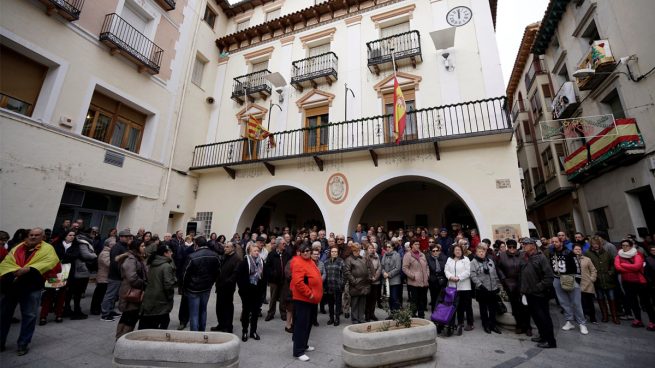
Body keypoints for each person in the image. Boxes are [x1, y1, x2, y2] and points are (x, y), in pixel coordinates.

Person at [0, 228, 59, 355]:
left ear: (42, 237)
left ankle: (23, 344)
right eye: (31, 235)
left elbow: (50, 263)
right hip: (12, 286)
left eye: (36, 235)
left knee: (29, 316)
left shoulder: (48, 249)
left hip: (32, 288)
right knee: (3, 316)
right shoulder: (18, 247)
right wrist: (13, 271)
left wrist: (29, 269)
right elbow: (6, 262)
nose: (33, 237)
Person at [519, 238, 556, 349]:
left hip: (539, 294)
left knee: (544, 318)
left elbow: (549, 277)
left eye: (525, 244)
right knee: (536, 318)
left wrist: (537, 287)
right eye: (523, 244)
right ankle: (542, 336)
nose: (523, 246)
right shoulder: (525, 257)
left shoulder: (541, 258)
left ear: (533, 245)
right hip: (529, 293)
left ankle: (550, 341)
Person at [290, 244, 323, 362]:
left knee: (308, 324)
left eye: (308, 250)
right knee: (301, 325)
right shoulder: (299, 263)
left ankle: (304, 345)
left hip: (311, 300)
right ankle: (298, 351)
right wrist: (310, 294)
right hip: (303, 299)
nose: (306, 252)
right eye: (303, 251)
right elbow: (298, 282)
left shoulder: (310, 261)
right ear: (299, 252)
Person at [550, 236, 588, 335]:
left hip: (570, 278)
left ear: (561, 242)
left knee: (576, 302)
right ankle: (569, 321)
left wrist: (577, 280)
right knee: (564, 302)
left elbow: (577, 266)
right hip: (557, 279)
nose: (554, 243)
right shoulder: (551, 253)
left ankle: (582, 323)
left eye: (556, 241)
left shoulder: (569, 253)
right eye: (552, 242)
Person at [614, 239, 655, 330]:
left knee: (646, 302)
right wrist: (629, 268)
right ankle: (638, 319)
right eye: (623, 245)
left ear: (631, 246)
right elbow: (618, 267)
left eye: (626, 245)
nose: (624, 247)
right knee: (633, 302)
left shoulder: (637, 255)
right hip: (627, 282)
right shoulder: (618, 256)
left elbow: (637, 266)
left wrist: (623, 265)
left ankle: (652, 321)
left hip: (640, 282)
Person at [183, 236, 221, 332]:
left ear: (196, 244)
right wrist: (211, 283)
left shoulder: (192, 256)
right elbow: (218, 272)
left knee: (194, 313)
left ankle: (195, 336)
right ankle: (201, 332)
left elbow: (185, 275)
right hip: (206, 288)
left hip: (193, 289)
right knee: (203, 310)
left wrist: (185, 287)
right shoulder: (215, 255)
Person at [497, 239, 532, 335]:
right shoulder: (502, 256)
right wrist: (504, 279)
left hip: (523, 283)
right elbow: (499, 268)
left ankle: (528, 326)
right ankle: (519, 325)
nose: (512, 249)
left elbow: (527, 267)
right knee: (515, 306)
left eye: (514, 247)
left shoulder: (522, 255)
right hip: (510, 284)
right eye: (510, 247)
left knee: (525, 305)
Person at [114, 240, 147, 340]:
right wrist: (143, 283)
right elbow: (132, 278)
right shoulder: (131, 259)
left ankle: (122, 339)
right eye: (142, 245)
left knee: (129, 316)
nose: (144, 247)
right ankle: (122, 339)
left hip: (133, 291)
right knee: (129, 317)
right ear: (136, 248)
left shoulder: (137, 258)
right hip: (131, 292)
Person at [139, 244, 176, 330]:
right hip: (160, 300)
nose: (172, 253)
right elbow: (168, 285)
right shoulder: (166, 266)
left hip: (150, 298)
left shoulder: (153, 262)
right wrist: (170, 297)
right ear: (165, 253)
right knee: (161, 324)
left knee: (148, 323)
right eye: (170, 252)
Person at [585, 235, 618, 324]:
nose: (595, 245)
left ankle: (615, 316)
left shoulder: (606, 252)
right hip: (597, 280)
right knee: (600, 297)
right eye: (593, 244)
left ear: (600, 244)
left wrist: (611, 272)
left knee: (611, 298)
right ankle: (605, 315)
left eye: (597, 244)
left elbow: (613, 263)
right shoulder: (588, 253)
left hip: (608, 278)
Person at [237, 242, 266, 341]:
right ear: (250, 251)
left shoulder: (261, 262)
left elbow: (264, 277)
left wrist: (262, 290)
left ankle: (253, 331)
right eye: (255, 251)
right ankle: (245, 331)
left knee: (255, 313)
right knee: (246, 312)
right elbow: (240, 278)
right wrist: (244, 290)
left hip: (258, 292)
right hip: (247, 292)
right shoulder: (245, 262)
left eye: (258, 251)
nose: (257, 252)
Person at [65, 231, 97, 320]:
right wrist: (94, 255)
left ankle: (68, 309)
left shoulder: (75, 243)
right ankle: (76, 311)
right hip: (80, 270)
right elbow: (86, 255)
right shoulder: (82, 243)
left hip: (74, 269)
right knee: (77, 292)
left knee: (71, 292)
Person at [471, 243, 502, 334]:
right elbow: (473, 276)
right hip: (482, 289)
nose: (481, 253)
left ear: (485, 252)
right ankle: (486, 325)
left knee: (492, 308)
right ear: (476, 253)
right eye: (479, 251)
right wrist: (480, 285)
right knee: (483, 309)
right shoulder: (473, 262)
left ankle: (493, 325)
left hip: (492, 289)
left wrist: (498, 286)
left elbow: (495, 274)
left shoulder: (490, 261)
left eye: (483, 251)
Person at [100, 229, 131, 322]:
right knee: (110, 295)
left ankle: (110, 310)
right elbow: (114, 262)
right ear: (121, 237)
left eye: (129, 236)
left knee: (114, 296)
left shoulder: (124, 246)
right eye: (126, 237)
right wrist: (120, 273)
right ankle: (105, 314)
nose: (128, 238)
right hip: (115, 275)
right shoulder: (117, 247)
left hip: (120, 275)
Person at [212, 241, 241, 333]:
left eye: (227, 247)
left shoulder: (237, 259)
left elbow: (236, 274)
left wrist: (227, 282)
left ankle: (228, 327)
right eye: (225, 247)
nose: (225, 248)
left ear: (233, 248)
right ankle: (221, 324)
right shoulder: (225, 256)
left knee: (227, 307)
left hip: (228, 287)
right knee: (219, 307)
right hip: (220, 286)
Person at [445, 243, 473, 335]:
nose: (458, 251)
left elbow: (468, 271)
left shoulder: (466, 259)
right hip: (452, 286)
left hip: (464, 287)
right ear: (453, 251)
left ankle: (466, 323)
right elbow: (446, 270)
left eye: (459, 250)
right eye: (456, 250)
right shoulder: (449, 260)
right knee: (455, 306)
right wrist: (450, 277)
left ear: (462, 251)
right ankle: (456, 324)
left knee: (465, 306)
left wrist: (459, 277)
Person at [344, 243, 371, 324]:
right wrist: (354, 281)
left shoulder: (363, 258)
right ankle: (355, 319)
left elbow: (368, 268)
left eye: (359, 250)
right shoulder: (349, 259)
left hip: (364, 283)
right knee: (355, 303)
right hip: (355, 284)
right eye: (355, 250)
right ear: (352, 250)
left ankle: (361, 318)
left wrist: (368, 278)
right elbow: (347, 272)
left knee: (362, 303)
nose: (357, 252)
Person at [265, 237, 289, 321]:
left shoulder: (287, 254)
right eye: (283, 243)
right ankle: (271, 313)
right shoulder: (271, 254)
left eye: (285, 243)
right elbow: (267, 267)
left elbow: (289, 265)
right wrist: (272, 274)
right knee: (273, 298)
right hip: (274, 281)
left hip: (284, 280)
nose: (285, 245)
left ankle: (283, 313)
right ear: (278, 244)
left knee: (283, 298)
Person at [403, 241, 429, 318]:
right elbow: (404, 268)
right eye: (415, 244)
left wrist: (427, 275)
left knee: (422, 300)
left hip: (423, 281)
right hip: (414, 282)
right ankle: (413, 316)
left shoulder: (422, 255)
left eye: (418, 244)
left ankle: (421, 316)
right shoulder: (408, 255)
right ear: (411, 246)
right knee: (414, 300)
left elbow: (427, 266)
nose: (418, 245)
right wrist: (413, 276)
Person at [90, 237, 115, 315]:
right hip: (103, 277)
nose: (115, 245)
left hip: (105, 277)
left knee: (101, 294)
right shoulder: (105, 253)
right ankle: (95, 309)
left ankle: (97, 308)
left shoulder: (109, 252)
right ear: (109, 244)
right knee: (99, 294)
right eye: (113, 243)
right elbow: (109, 264)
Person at [574, 243, 598, 324]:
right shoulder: (571, 259)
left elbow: (593, 270)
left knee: (589, 302)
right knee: (580, 302)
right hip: (576, 284)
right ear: (573, 250)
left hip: (587, 283)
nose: (577, 251)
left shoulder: (587, 259)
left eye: (579, 249)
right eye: (576, 249)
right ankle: (582, 317)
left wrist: (592, 279)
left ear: (582, 250)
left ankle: (593, 318)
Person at [323, 246, 344, 326]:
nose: (334, 253)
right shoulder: (326, 262)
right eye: (332, 251)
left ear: (337, 253)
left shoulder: (341, 261)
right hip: (329, 286)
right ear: (330, 253)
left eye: (335, 251)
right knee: (330, 303)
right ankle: (331, 318)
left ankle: (337, 318)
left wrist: (342, 283)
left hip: (338, 286)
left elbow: (344, 274)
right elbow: (325, 274)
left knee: (338, 303)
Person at [381, 241, 402, 313]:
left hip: (395, 280)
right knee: (389, 298)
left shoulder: (397, 255)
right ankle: (391, 314)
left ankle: (396, 314)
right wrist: (383, 272)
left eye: (389, 247)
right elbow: (382, 266)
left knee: (394, 298)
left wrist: (389, 274)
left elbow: (398, 268)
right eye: (387, 247)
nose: (387, 248)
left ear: (393, 247)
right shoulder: (385, 255)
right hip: (386, 280)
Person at [427, 244, 447, 313]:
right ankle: (434, 315)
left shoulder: (444, 258)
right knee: (434, 299)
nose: (435, 252)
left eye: (437, 250)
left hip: (442, 281)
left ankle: (441, 316)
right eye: (433, 251)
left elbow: (446, 269)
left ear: (439, 251)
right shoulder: (428, 259)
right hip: (433, 282)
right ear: (431, 252)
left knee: (442, 299)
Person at [364, 244, 381, 321]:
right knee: (367, 299)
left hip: (375, 281)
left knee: (374, 299)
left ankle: (372, 314)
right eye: (370, 248)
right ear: (367, 249)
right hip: (367, 281)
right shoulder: (364, 257)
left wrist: (375, 277)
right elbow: (364, 268)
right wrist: (370, 277)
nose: (371, 249)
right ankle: (367, 315)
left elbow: (379, 268)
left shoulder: (377, 257)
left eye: (373, 248)